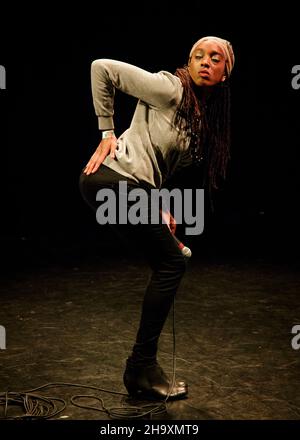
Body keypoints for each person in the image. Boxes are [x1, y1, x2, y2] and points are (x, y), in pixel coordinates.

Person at [79, 36, 235, 401]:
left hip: (126, 186)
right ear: (189, 62)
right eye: (198, 56)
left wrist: (158, 204)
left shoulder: (196, 115)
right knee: (171, 263)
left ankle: (142, 369)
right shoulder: (172, 89)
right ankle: (140, 368)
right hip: (109, 179)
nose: (205, 62)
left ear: (226, 73)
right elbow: (101, 68)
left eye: (215, 58)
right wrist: (106, 132)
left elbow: (152, 162)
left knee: (166, 262)